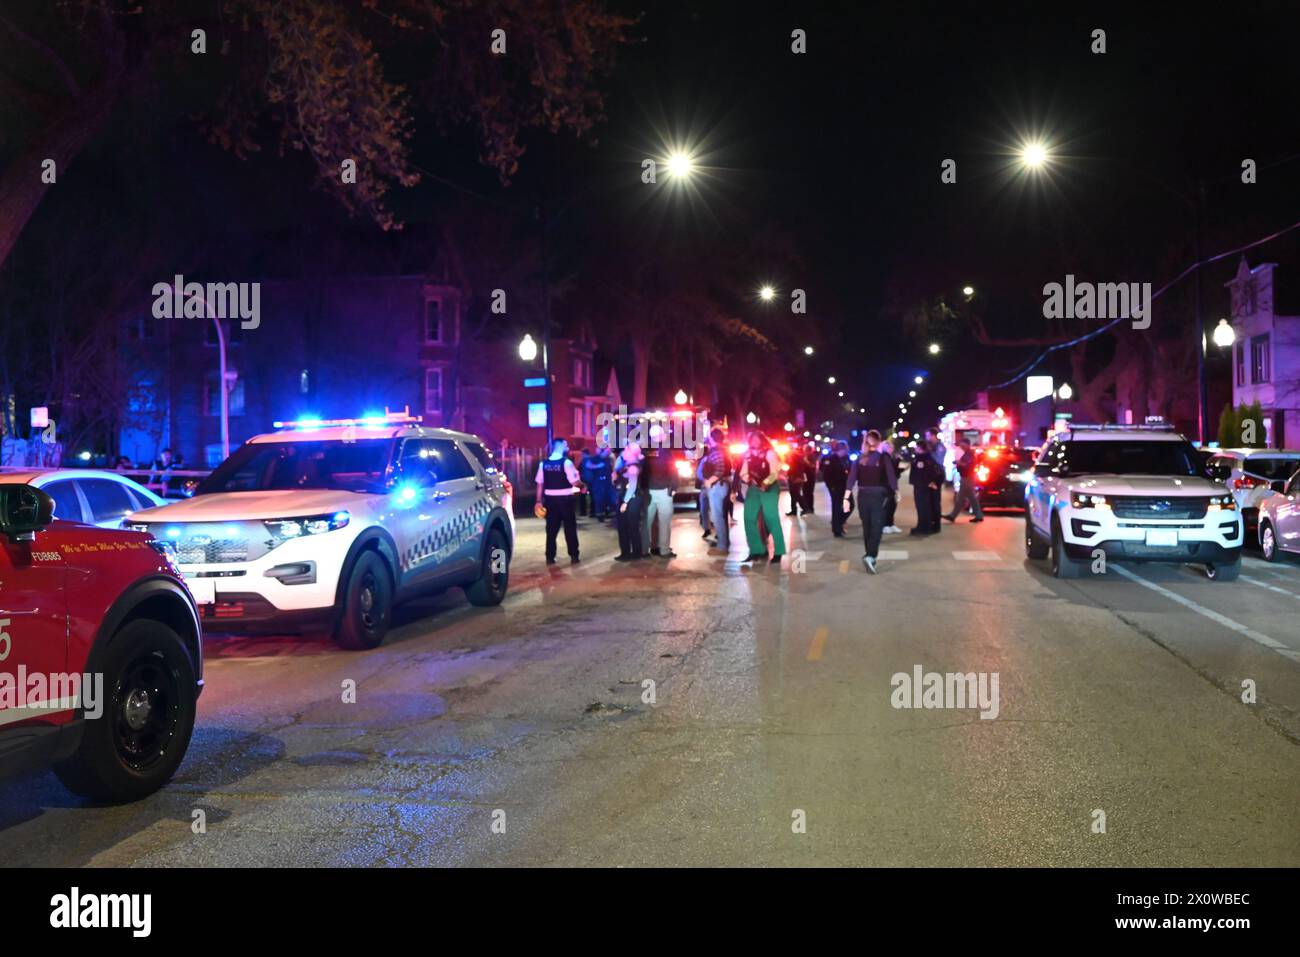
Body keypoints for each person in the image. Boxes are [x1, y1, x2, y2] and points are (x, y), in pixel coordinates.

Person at [847, 430, 898, 573]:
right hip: (878, 496)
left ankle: (870, 555)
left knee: (867, 526)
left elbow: (852, 478)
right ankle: (870, 555)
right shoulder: (883, 458)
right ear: (879, 442)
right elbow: (891, 475)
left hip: (863, 495)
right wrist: (896, 491)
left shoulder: (859, 458)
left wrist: (846, 495)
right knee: (876, 526)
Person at [737, 430, 786, 564]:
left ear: (762, 440)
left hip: (769, 488)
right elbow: (743, 471)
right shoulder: (747, 454)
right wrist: (746, 478)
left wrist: (766, 483)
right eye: (752, 440)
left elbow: (775, 472)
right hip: (754, 488)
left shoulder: (769, 453)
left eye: (757, 439)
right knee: (748, 518)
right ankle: (756, 550)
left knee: (772, 518)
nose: (755, 442)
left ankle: (779, 551)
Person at [535, 437, 582, 564]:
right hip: (566, 500)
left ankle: (550, 557)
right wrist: (583, 486)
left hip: (550, 501)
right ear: (559, 446)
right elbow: (575, 482)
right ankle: (574, 555)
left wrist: (538, 501)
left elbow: (539, 484)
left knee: (551, 530)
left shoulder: (543, 464)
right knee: (570, 529)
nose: (567, 447)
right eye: (565, 445)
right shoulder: (566, 463)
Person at [699, 428, 733, 553]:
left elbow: (720, 469)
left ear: (712, 438)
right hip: (719, 485)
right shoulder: (720, 450)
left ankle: (722, 546)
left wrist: (709, 481)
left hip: (717, 486)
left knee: (718, 517)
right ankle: (723, 542)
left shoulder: (717, 451)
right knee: (719, 516)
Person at [613, 442, 647, 560]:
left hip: (631, 499)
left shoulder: (632, 467)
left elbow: (632, 486)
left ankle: (632, 553)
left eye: (626, 450)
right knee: (626, 526)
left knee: (630, 526)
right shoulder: (627, 465)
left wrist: (625, 502)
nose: (624, 452)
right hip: (628, 498)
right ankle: (628, 552)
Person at [643, 445, 678, 557]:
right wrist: (674, 486)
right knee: (664, 521)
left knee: (646, 522)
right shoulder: (666, 452)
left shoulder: (646, 452)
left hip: (648, 491)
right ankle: (664, 549)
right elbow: (673, 469)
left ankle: (645, 549)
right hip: (664, 490)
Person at [944, 438, 985, 523]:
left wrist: (958, 463)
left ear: (967, 445)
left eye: (963, 445)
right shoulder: (967, 453)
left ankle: (977, 515)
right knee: (963, 498)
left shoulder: (970, 454)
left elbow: (967, 465)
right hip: (965, 477)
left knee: (969, 498)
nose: (961, 447)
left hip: (968, 478)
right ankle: (953, 516)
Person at [909, 439, 940, 535]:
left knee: (922, 507)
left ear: (919, 448)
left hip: (921, 487)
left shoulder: (921, 459)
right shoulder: (928, 457)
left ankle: (923, 527)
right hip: (924, 486)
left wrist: (927, 483)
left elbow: (922, 474)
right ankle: (928, 526)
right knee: (926, 507)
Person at [821, 440, 851, 537]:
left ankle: (838, 523)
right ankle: (837, 529)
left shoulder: (845, 459)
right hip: (836, 487)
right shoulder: (832, 459)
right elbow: (826, 475)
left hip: (844, 486)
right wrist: (831, 486)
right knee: (837, 507)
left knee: (849, 505)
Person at [581, 444, 615, 521]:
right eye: (607, 450)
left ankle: (607, 513)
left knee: (609, 498)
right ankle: (600, 515)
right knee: (599, 499)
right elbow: (588, 465)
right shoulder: (595, 458)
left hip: (607, 481)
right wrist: (598, 466)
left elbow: (611, 470)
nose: (608, 452)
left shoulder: (608, 459)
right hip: (598, 482)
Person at [925, 428, 947, 533]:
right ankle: (931, 522)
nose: (927, 438)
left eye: (928, 435)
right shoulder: (932, 446)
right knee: (930, 500)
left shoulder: (939, 447)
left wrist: (930, 452)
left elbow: (938, 460)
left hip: (937, 475)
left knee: (935, 500)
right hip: (931, 475)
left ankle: (936, 525)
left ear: (934, 435)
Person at [880, 437, 902, 534]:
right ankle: (885, 525)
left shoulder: (889, 457)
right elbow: (890, 472)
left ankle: (890, 524)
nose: (892, 449)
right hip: (886, 485)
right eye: (890, 447)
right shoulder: (884, 457)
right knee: (888, 505)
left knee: (892, 504)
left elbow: (894, 472)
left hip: (890, 485)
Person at [785, 443, 806, 516]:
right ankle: (794, 510)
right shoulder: (793, 456)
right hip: (792, 477)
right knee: (793, 494)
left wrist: (797, 477)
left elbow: (797, 467)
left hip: (796, 478)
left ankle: (805, 508)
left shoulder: (796, 456)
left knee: (796, 494)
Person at [800, 443, 819, 515]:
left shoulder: (811, 457)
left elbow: (813, 466)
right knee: (805, 492)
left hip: (810, 477)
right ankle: (807, 508)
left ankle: (810, 508)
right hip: (805, 477)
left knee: (809, 492)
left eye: (805, 450)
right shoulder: (805, 456)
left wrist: (806, 461)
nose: (804, 451)